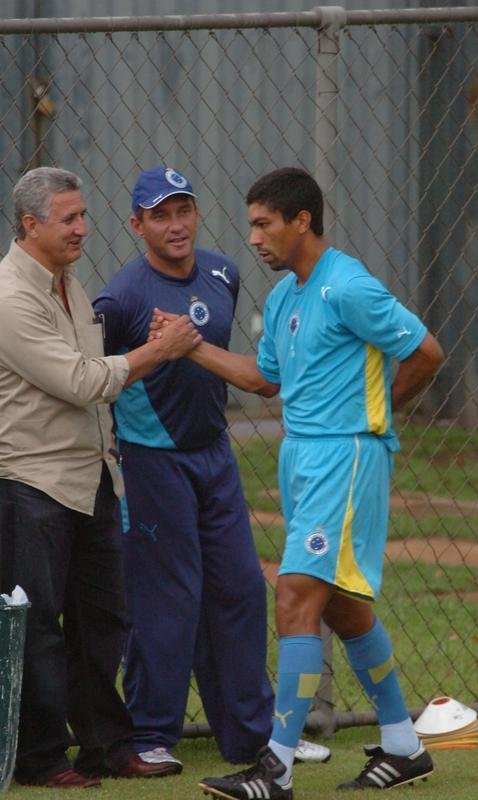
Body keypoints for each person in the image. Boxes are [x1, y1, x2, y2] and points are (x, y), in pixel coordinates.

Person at [151, 167, 445, 798]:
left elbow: (427, 352)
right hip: (302, 460)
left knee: (292, 595)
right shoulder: (285, 297)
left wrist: (377, 418)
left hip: (346, 459)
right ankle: (403, 745)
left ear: (301, 221)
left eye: (264, 223)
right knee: (339, 603)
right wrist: (190, 347)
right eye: (251, 224)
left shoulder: (349, 286)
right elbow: (263, 380)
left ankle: (275, 768)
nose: (253, 237)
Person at [93, 166, 330, 771]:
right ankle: (151, 734)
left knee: (242, 589)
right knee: (168, 596)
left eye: (185, 211)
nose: (176, 226)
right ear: (137, 224)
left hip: (214, 454)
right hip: (151, 462)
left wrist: (191, 346)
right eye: (161, 215)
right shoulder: (119, 297)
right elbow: (101, 381)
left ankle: (253, 736)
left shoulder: (224, 271)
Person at [0, 167, 202, 789]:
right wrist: (158, 352)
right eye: (70, 218)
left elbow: (91, 366)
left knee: (103, 619)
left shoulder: (68, 283)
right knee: (37, 627)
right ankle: (39, 758)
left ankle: (106, 747)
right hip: (30, 481)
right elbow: (82, 381)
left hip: (88, 477)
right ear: (31, 225)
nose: (84, 228)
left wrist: (141, 346)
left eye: (84, 215)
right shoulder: (10, 297)